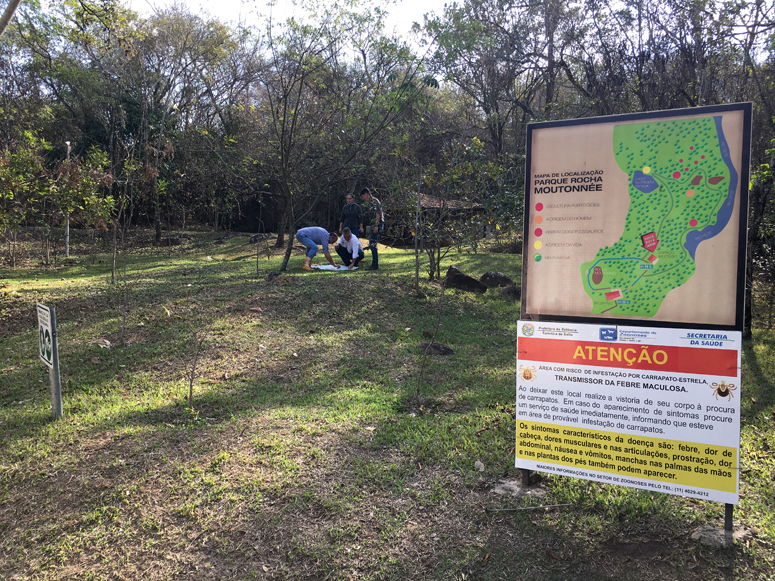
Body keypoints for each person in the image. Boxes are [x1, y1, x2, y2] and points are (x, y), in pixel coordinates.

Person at [360, 187, 384, 270]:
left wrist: (376, 226)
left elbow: (378, 214)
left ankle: (375, 265)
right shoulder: (370, 202)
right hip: (373, 225)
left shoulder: (374, 201)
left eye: (363, 196)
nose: (363, 198)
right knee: (372, 244)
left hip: (377, 225)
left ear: (366, 194)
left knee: (373, 244)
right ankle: (374, 263)